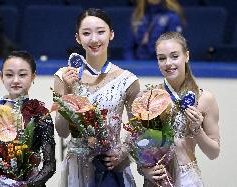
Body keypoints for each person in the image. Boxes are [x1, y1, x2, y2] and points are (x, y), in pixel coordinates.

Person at [54, 8, 140, 187]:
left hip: (112, 165)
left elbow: (137, 128)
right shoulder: (64, 76)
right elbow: (62, 131)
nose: (94, 39)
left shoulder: (128, 79)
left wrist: (122, 151)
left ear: (111, 34)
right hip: (76, 167)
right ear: (78, 37)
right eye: (86, 33)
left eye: (101, 32)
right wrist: (68, 92)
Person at [137, 32, 220, 186]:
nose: (168, 63)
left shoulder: (204, 98)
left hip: (188, 178)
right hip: (158, 178)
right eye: (162, 58)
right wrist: (144, 169)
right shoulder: (148, 97)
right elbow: (137, 143)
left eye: (174, 56)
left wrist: (197, 129)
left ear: (186, 56)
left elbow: (213, 153)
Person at [0, 51, 56, 186]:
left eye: (22, 75)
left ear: (33, 76)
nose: (15, 80)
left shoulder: (39, 113)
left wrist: (27, 185)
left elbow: (50, 165)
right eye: (9, 75)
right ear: (1, 77)